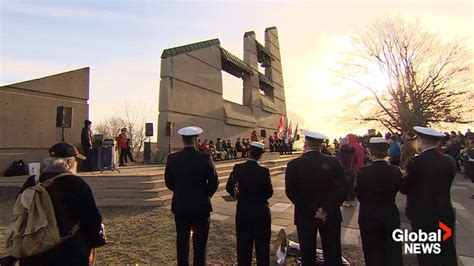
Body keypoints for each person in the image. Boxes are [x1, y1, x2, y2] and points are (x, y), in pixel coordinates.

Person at [17, 142, 103, 265]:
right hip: (68, 254)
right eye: (76, 162)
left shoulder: (32, 182)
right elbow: (92, 220)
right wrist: (94, 241)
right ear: (70, 162)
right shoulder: (77, 184)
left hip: (33, 253)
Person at [285, 130, 348, 266]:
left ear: (305, 143)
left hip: (305, 215)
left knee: (307, 254)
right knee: (332, 253)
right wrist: (326, 209)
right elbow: (343, 189)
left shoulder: (294, 165)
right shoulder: (334, 162)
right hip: (330, 215)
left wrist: (312, 210)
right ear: (321, 145)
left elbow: (291, 192)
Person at [400, 126, 457, 266]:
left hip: (422, 215)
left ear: (419, 140)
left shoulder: (416, 162)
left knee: (426, 254)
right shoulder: (449, 160)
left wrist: (404, 178)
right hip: (444, 212)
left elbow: (404, 189)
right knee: (447, 251)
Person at [165, 126, 219, 266]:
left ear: (183, 140)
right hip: (201, 206)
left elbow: (169, 182)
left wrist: (180, 191)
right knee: (200, 244)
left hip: (181, 206)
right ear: (196, 140)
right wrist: (205, 194)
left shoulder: (172, 158)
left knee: (182, 242)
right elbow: (214, 182)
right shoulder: (205, 158)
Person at [355, 137, 403, 266]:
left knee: (372, 252)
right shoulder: (395, 171)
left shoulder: (363, 172)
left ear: (370, 151)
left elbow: (359, 194)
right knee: (392, 252)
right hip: (390, 214)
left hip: (369, 216)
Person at [226, 142, 273, 265]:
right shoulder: (264, 171)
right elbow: (269, 193)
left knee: (243, 246)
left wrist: (238, 196)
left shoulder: (238, 168)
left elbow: (228, 187)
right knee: (262, 247)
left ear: (249, 152)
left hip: (243, 211)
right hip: (261, 212)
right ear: (260, 156)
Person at [335, 136, 358, 207]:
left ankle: (346, 200)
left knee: (344, 186)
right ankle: (352, 199)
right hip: (352, 171)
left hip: (344, 172)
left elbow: (338, 162)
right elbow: (355, 161)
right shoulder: (353, 151)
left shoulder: (340, 152)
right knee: (351, 186)